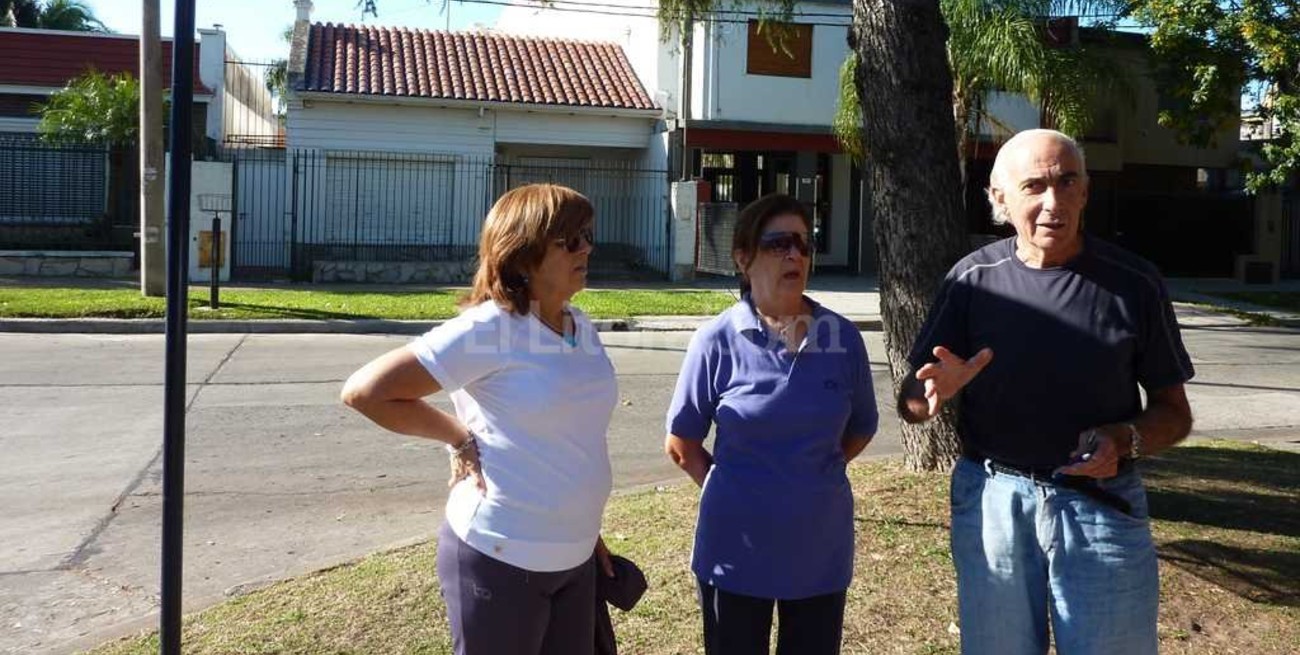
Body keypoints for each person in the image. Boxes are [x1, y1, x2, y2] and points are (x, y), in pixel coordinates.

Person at [898, 129, 1195, 654]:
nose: (1052, 202)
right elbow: (913, 401)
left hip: (1102, 508)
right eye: (1034, 186)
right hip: (994, 503)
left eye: (1067, 182)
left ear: (1085, 192)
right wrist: (931, 395)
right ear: (1000, 199)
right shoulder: (971, 281)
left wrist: (1123, 439)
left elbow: (1174, 414)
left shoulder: (1135, 283)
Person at [341, 184, 619, 655]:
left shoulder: (581, 325)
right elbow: (367, 392)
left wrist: (584, 530)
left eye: (587, 235)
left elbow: (574, 440)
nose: (586, 247)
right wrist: (457, 436)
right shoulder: (493, 328)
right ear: (524, 252)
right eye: (569, 239)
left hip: (574, 555)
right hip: (499, 555)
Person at [664, 193, 879, 655]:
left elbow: (862, 427)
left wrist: (808, 474)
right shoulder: (715, 340)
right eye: (779, 243)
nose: (795, 255)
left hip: (820, 552)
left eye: (805, 244)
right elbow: (682, 442)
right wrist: (734, 488)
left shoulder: (843, 339)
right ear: (743, 257)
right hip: (734, 552)